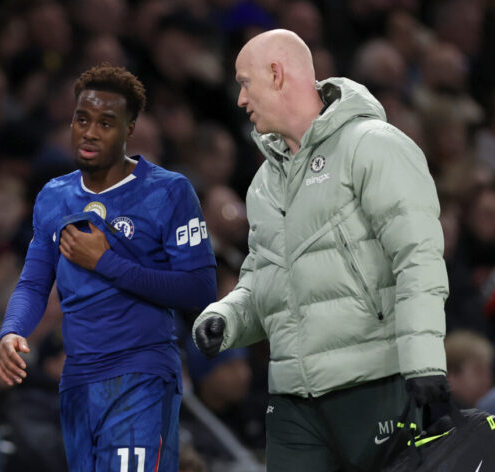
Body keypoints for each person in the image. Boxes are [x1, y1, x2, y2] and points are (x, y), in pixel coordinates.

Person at [192, 29, 450, 472]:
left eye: (244, 82)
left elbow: (419, 258)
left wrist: (425, 365)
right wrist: (227, 317)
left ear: (276, 74)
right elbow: (263, 280)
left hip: (375, 384)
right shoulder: (263, 184)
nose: (239, 99)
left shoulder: (374, 145)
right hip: (293, 403)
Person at [0, 65, 217, 471]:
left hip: (143, 372)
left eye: (106, 122)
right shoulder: (53, 196)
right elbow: (33, 282)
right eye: (82, 119)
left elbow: (201, 288)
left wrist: (105, 262)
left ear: (130, 128)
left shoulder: (169, 191)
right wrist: (12, 330)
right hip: (78, 377)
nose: (90, 132)